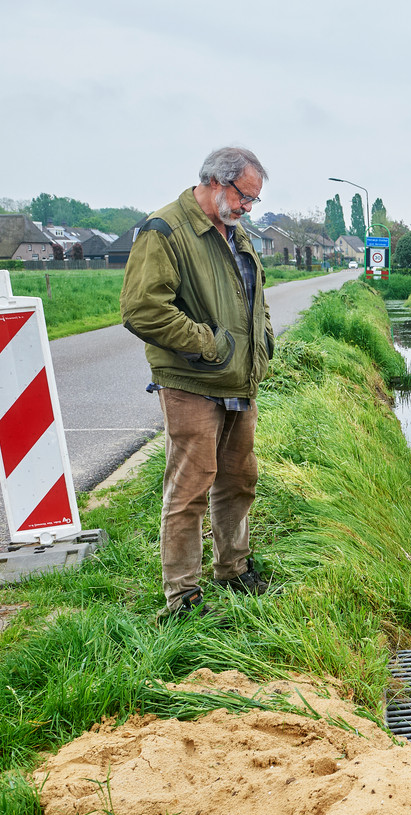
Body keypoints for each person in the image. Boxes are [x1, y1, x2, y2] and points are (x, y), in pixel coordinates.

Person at [121, 147, 275, 618]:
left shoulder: (236, 232)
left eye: (254, 200)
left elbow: (255, 298)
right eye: (245, 196)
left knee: (239, 478)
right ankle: (182, 596)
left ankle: (233, 566)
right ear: (215, 182)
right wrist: (210, 345)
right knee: (189, 488)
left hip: (239, 381)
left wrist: (262, 340)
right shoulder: (165, 229)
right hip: (191, 382)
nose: (249, 207)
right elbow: (143, 310)